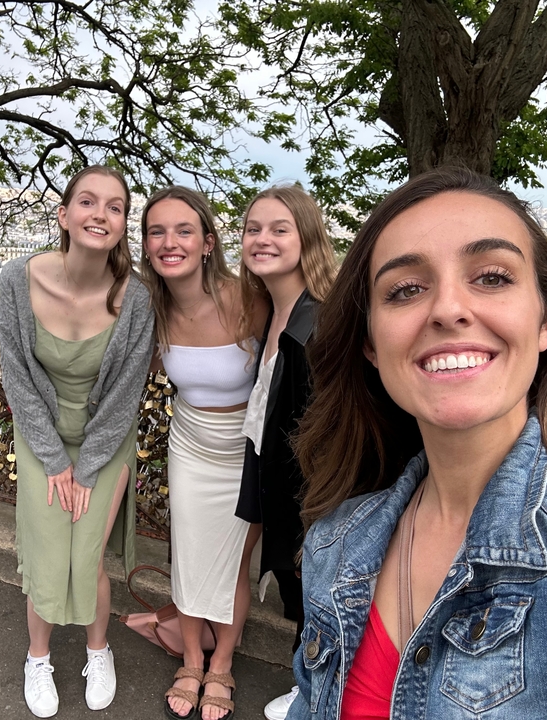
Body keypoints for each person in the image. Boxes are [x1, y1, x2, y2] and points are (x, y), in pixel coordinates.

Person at [285, 166, 547, 719]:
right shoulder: (336, 542)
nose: (447, 309)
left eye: (491, 277)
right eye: (406, 289)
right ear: (369, 342)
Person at [0, 165, 154, 718]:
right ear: (64, 216)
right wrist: (51, 460)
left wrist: (85, 470)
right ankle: (38, 658)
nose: (100, 213)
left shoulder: (135, 298)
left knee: (85, 555)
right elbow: (15, 371)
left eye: (114, 207)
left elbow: (124, 396)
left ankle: (97, 647)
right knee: (46, 550)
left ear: (121, 225)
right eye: (87, 201)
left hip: (104, 444)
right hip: (41, 434)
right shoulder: (19, 278)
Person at [140, 186, 266, 720]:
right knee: (189, 557)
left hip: (247, 445)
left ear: (208, 242)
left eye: (184, 230)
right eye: (156, 231)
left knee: (235, 562)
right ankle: (192, 657)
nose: (170, 242)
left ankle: (222, 665)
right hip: (190, 442)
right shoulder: (151, 309)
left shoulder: (249, 300)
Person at [232, 185, 338, 720]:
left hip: (308, 487)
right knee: (294, 583)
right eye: (254, 229)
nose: (263, 239)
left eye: (279, 229)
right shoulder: (274, 311)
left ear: (307, 238)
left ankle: (315, 692)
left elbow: (325, 427)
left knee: (306, 584)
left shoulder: (317, 322)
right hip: (269, 465)